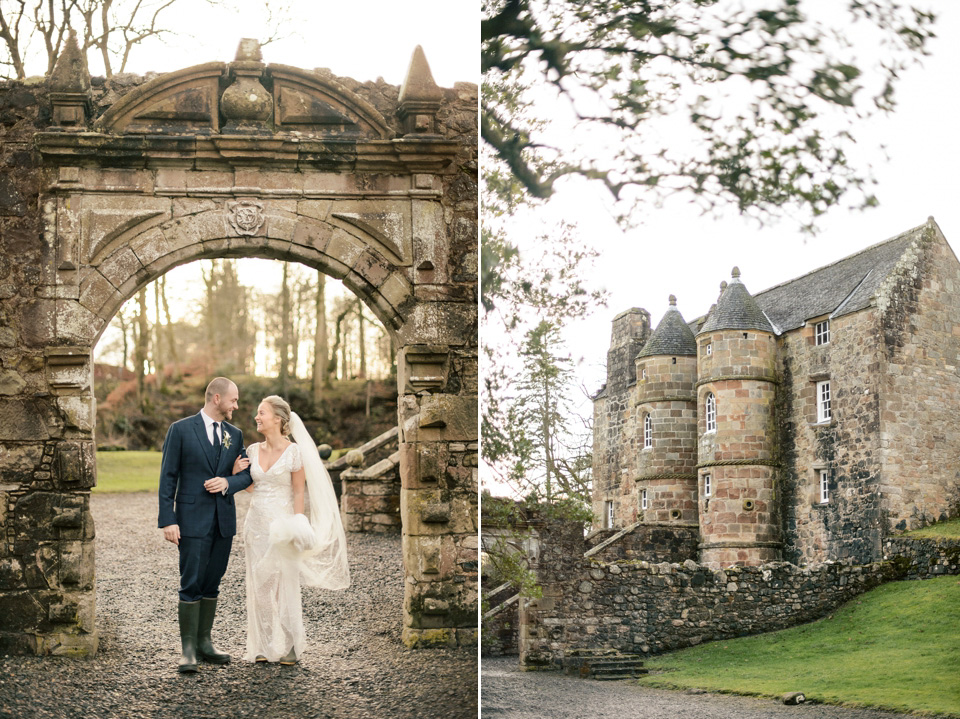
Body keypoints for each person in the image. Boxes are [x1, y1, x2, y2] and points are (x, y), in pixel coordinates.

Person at [232, 395, 350, 665]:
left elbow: (299, 492)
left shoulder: (294, 452)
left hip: (283, 527)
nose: (256, 417)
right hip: (257, 526)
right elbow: (251, 487)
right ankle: (262, 644)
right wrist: (235, 469)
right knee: (261, 585)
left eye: (261, 413)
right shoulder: (251, 451)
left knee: (285, 584)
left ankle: (290, 645)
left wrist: (298, 524)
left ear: (278, 419)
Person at [158, 377, 253, 673]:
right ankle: (187, 650)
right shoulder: (181, 430)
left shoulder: (234, 435)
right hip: (190, 520)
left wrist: (228, 480)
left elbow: (247, 476)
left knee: (213, 581)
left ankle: (204, 642)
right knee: (191, 582)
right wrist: (168, 519)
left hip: (223, 521)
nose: (236, 406)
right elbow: (167, 477)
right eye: (233, 400)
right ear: (216, 398)